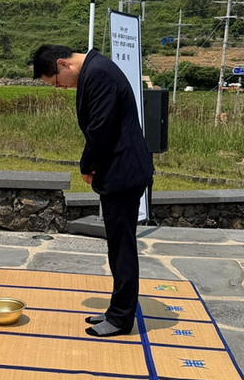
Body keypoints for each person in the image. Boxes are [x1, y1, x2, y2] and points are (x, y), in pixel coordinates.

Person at [30, 45, 153, 338]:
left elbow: (101, 127)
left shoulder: (98, 74)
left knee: (122, 249)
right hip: (120, 171)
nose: (61, 88)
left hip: (123, 172)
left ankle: (121, 319)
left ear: (63, 64)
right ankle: (116, 311)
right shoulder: (97, 69)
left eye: (57, 82)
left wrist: (86, 165)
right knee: (117, 246)